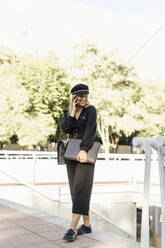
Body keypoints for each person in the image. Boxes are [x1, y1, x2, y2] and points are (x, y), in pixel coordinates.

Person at [61, 83, 98, 242]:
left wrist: (84, 149)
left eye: (85, 96)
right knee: (74, 189)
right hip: (71, 154)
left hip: (85, 152)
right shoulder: (69, 111)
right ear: (74, 97)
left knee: (81, 189)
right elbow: (65, 129)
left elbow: (91, 130)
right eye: (80, 96)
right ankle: (87, 225)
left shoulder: (91, 110)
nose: (83, 99)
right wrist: (71, 112)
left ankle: (72, 229)